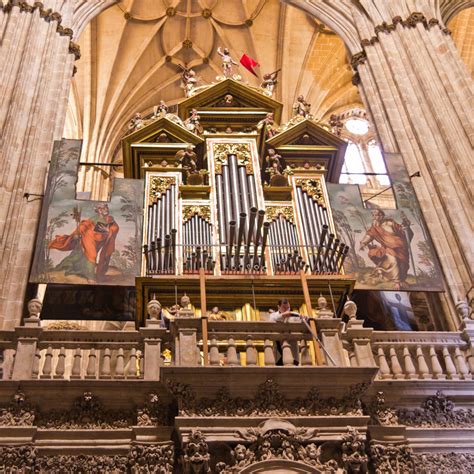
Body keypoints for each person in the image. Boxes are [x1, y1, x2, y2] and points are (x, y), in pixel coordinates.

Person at [49, 203, 119, 283]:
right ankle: (91, 277)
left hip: (100, 241)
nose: (106, 209)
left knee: (80, 255)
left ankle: (99, 274)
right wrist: (77, 233)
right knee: (92, 255)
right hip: (89, 238)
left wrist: (109, 230)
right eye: (104, 208)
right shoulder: (94, 219)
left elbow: (115, 227)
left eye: (107, 207)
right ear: (99, 210)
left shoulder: (110, 219)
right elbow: (84, 225)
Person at [359, 209, 413, 290]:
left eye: (376, 215)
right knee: (392, 260)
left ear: (381, 215)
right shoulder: (375, 227)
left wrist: (406, 227)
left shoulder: (390, 223)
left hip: (401, 248)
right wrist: (363, 243)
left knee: (403, 265)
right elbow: (369, 235)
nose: (374, 217)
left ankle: (402, 280)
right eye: (373, 215)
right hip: (388, 248)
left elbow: (402, 230)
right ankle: (397, 282)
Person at [269, 298, 301, 365]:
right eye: (284, 307)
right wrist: (283, 315)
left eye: (288, 307)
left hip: (292, 346)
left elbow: (301, 322)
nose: (287, 309)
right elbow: (272, 320)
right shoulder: (273, 315)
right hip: (278, 348)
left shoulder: (294, 315)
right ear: (279, 307)